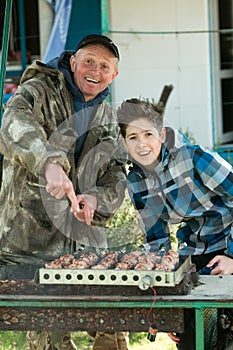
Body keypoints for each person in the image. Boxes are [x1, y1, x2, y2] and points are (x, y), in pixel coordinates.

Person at [0, 34, 128, 350]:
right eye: (88, 61)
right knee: (51, 339)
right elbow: (12, 123)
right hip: (29, 242)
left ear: (113, 74)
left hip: (85, 242)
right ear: (73, 62)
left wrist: (98, 200)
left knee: (114, 329)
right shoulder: (38, 90)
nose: (94, 71)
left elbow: (115, 173)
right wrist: (48, 163)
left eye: (104, 66)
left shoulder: (107, 116)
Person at [117, 97, 233, 350]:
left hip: (228, 242)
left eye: (148, 134)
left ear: (161, 134)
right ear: (124, 142)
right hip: (194, 254)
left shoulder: (194, 158)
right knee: (190, 339)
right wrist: (165, 306)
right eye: (133, 137)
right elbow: (156, 240)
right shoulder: (136, 181)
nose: (142, 144)